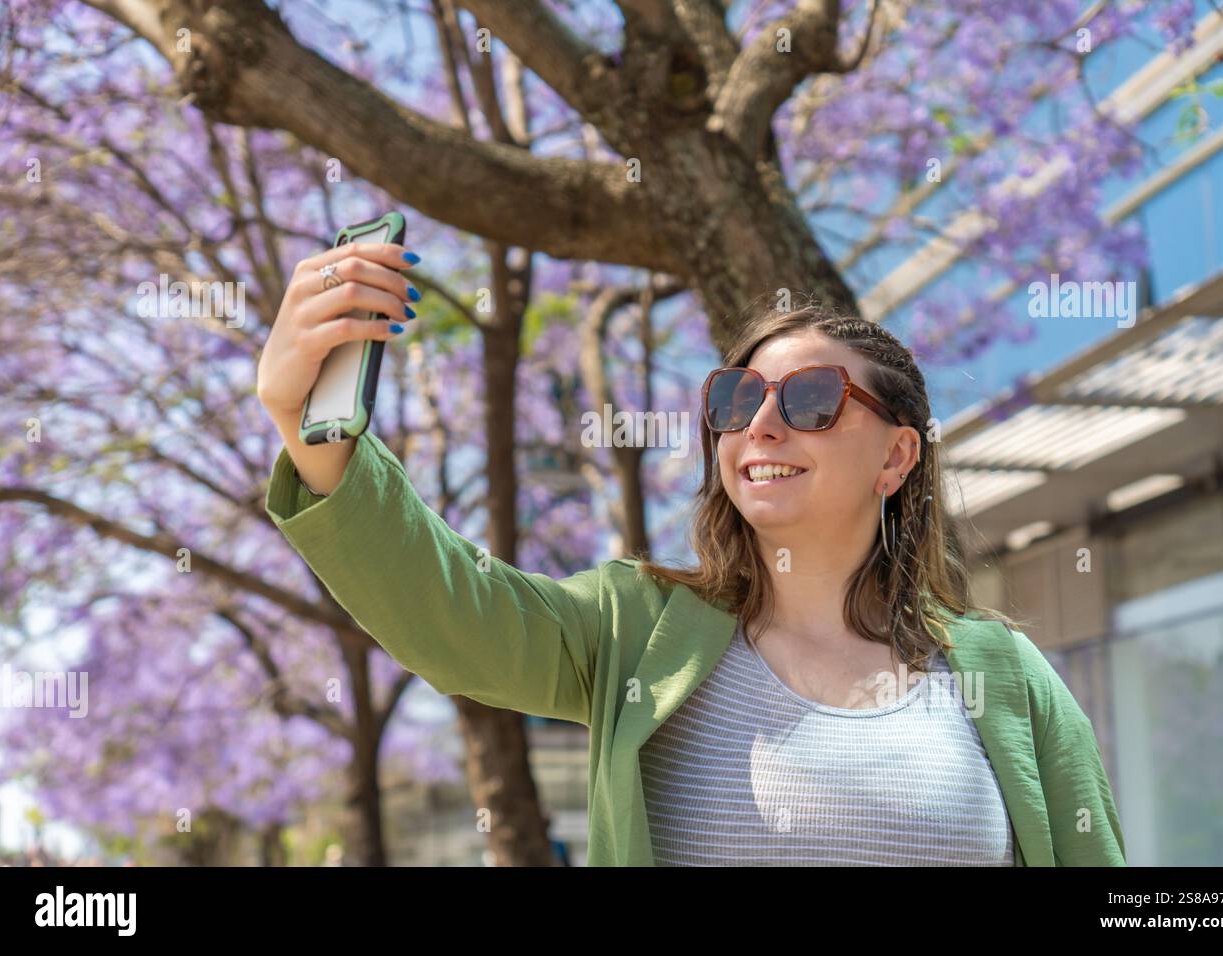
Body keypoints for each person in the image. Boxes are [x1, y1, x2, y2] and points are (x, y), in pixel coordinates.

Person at [257, 243, 1126, 867]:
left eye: (815, 398)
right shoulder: (633, 632)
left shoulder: (1002, 677)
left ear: (897, 457)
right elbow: (450, 611)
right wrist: (309, 422)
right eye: (738, 398)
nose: (761, 424)